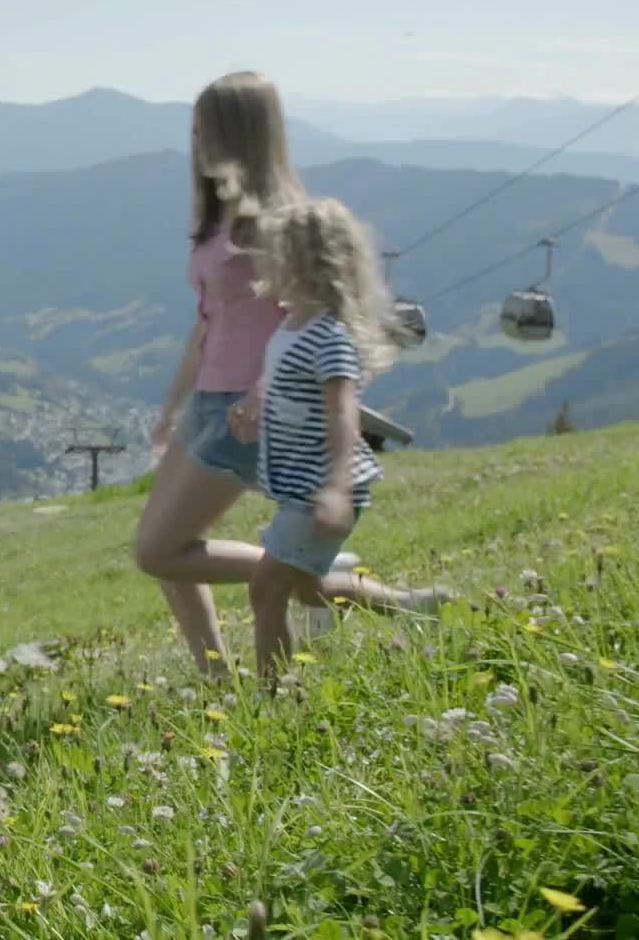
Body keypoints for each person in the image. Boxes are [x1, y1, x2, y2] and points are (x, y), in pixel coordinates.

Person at [135, 72, 438, 675]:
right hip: (207, 401)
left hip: (252, 413)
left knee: (160, 552)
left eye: (206, 130)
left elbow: (322, 317)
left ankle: (326, 576)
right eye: (193, 129)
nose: (195, 142)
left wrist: (269, 393)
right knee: (165, 548)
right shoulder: (216, 221)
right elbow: (205, 324)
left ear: (239, 135)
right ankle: (216, 679)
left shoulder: (283, 223)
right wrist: (171, 410)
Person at [239, 200, 449, 674]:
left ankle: (273, 701)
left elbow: (342, 411)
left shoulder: (328, 337)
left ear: (303, 263)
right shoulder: (292, 324)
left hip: (324, 488)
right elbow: (279, 374)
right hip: (303, 486)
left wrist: (334, 490)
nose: (262, 261)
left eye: (273, 252)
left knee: (265, 589)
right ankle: (409, 606)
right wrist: (255, 402)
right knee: (306, 589)